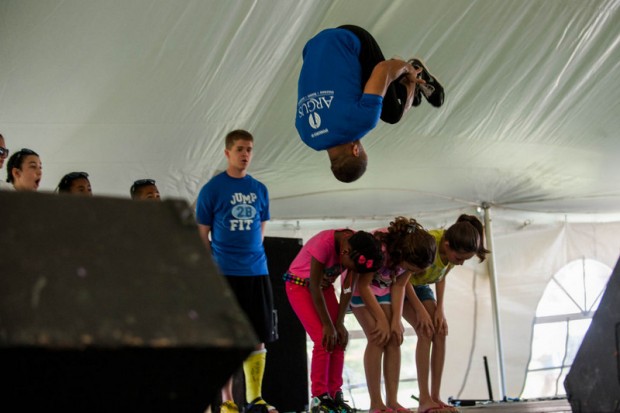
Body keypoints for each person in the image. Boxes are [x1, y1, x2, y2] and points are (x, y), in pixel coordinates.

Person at [295, 25, 444, 183]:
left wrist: (408, 69)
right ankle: (402, 87)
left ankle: (413, 75)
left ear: (355, 150)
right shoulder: (306, 135)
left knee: (392, 113)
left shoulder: (361, 123)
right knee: (367, 100)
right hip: (313, 48)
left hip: (352, 39)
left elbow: (383, 68)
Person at [195, 129, 277, 413]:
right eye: (240, 149)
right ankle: (228, 400)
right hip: (225, 274)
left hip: (256, 272)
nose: (245, 155)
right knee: (227, 338)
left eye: (249, 149)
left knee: (258, 334)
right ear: (227, 153)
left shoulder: (259, 189)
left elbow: (260, 231)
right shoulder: (213, 189)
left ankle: (256, 398)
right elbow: (201, 234)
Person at [284, 229, 383, 413]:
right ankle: (320, 397)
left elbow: (347, 287)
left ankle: (334, 394)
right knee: (323, 339)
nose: (348, 271)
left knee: (339, 338)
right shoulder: (325, 244)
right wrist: (329, 325)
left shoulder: (355, 245)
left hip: (324, 287)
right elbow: (314, 286)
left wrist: (339, 322)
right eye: (350, 267)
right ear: (345, 251)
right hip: (300, 285)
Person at [402, 215, 489, 413]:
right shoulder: (430, 243)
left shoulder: (452, 252)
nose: (460, 264)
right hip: (401, 286)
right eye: (459, 258)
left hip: (421, 286)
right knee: (425, 330)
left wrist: (440, 308)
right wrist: (420, 310)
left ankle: (435, 396)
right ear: (447, 245)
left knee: (440, 331)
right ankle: (424, 400)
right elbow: (404, 277)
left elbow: (440, 277)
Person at [351, 217, 437, 413]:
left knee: (395, 338)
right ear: (402, 255)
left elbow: (399, 284)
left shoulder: (413, 256)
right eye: (411, 268)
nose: (411, 272)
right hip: (360, 288)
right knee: (378, 337)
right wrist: (381, 320)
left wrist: (396, 320)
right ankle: (376, 404)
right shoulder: (380, 247)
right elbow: (363, 285)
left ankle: (392, 401)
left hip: (385, 288)